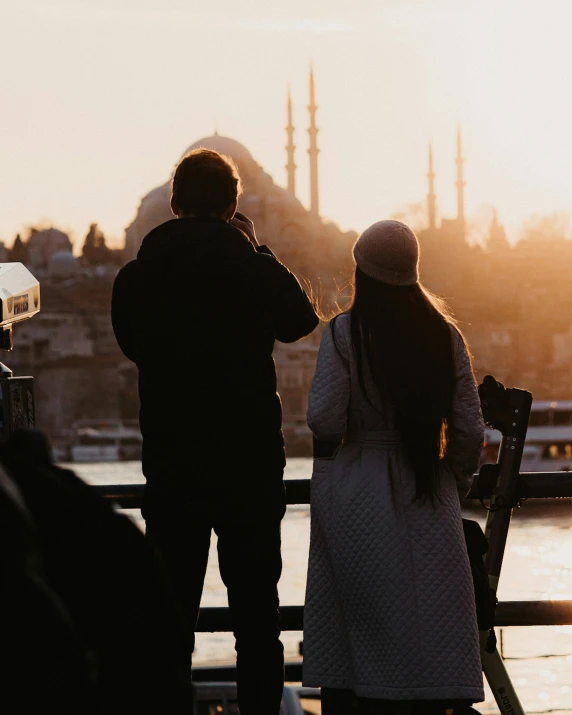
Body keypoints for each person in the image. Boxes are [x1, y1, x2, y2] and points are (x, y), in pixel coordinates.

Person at [111, 148, 319, 714]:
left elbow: (132, 344)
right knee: (257, 621)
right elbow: (301, 320)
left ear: (173, 203)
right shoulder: (250, 268)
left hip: (174, 467)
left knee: (170, 619)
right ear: (233, 205)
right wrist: (256, 249)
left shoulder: (138, 277)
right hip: (248, 467)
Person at [303, 220, 485, 715]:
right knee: (427, 617)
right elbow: (469, 430)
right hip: (428, 487)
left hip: (357, 488)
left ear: (363, 271)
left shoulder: (345, 333)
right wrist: (455, 481)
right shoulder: (443, 335)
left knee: (360, 627)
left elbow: (322, 417)